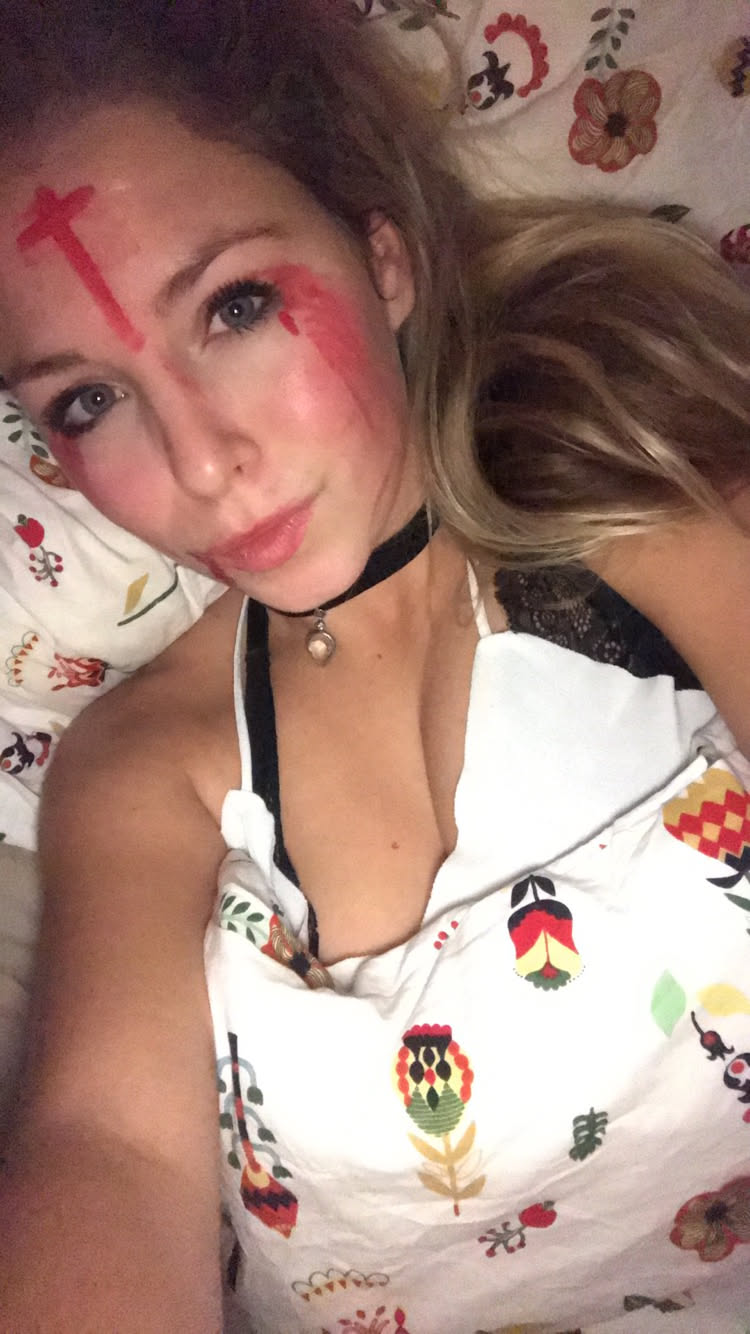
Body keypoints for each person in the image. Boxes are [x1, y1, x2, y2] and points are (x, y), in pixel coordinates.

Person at [0, 2, 749, 1331]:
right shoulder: (136, 770)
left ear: (383, 259)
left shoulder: (643, 477)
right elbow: (106, 1148)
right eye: (88, 401)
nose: (201, 460)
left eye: (234, 307)